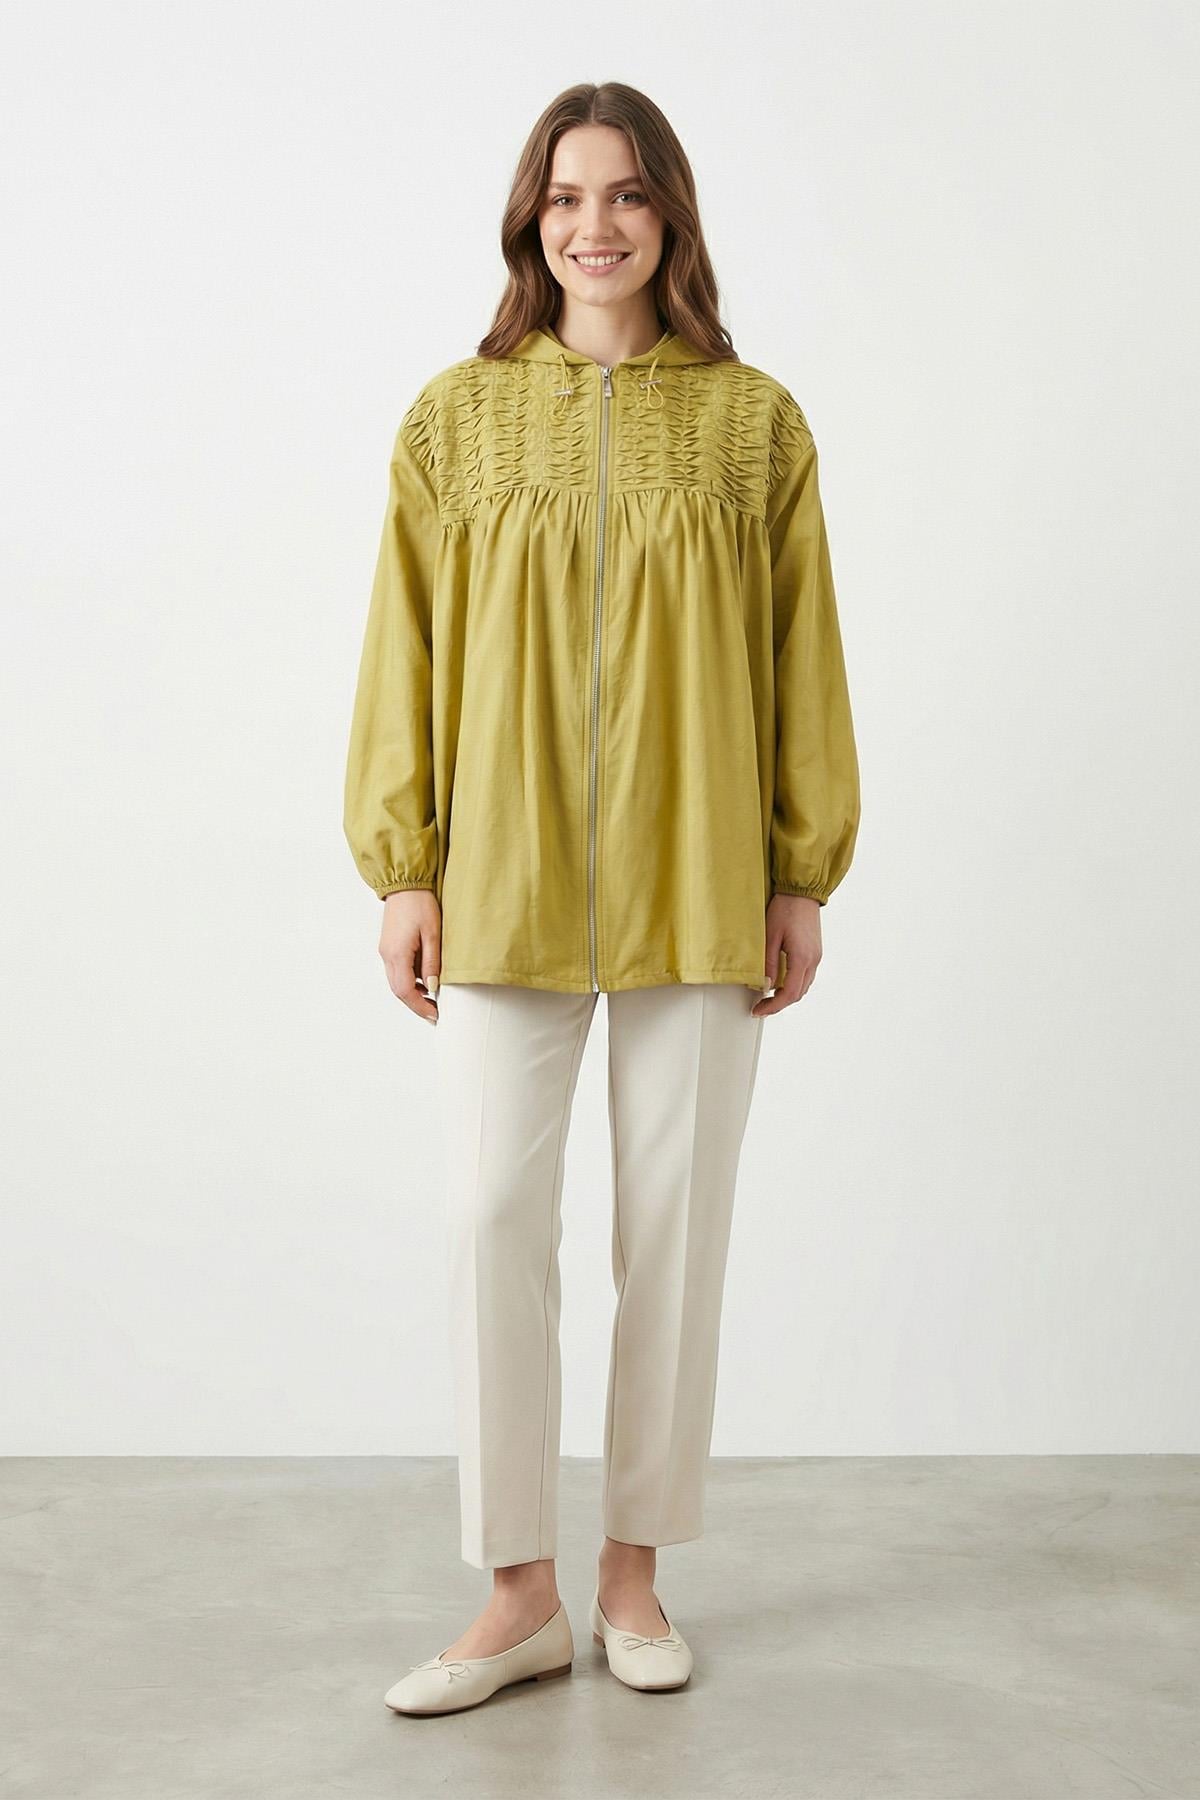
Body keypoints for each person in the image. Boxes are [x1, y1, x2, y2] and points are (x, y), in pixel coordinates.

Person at [343, 81, 861, 1717]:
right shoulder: (455, 419)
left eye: (628, 194)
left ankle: (634, 1578)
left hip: (700, 882)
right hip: (499, 881)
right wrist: (404, 861)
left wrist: (800, 866)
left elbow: (804, 657)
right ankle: (519, 1594)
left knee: (673, 1238)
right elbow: (403, 649)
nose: (597, 225)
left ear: (671, 218)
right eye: (567, 197)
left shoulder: (756, 423)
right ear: (531, 222)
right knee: (491, 1222)